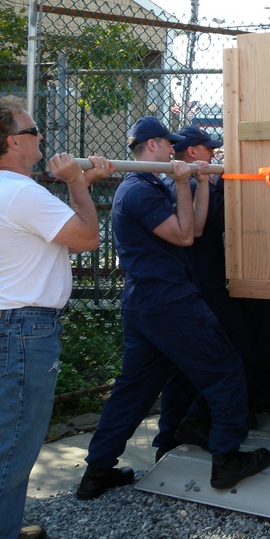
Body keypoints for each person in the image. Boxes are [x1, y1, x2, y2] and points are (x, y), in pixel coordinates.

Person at [77, 117, 270, 501]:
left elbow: (194, 228)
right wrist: (183, 182)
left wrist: (197, 183)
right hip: (168, 301)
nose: (173, 150)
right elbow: (183, 236)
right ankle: (227, 459)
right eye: (168, 144)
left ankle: (98, 471)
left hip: (149, 302)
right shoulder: (138, 190)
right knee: (226, 370)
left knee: (135, 388)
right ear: (152, 146)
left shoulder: (150, 183)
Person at [1, 97, 113, 539]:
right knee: (14, 448)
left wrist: (77, 182)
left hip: (13, 324)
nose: (41, 137)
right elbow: (87, 237)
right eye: (32, 132)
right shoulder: (21, 192)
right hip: (22, 331)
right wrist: (77, 184)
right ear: (12, 141)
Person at [154, 126, 269, 462]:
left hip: (194, 285)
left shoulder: (175, 181)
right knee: (239, 354)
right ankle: (199, 424)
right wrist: (218, 189)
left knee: (184, 367)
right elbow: (219, 221)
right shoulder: (190, 183)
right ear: (193, 153)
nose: (214, 154)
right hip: (204, 286)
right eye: (209, 149)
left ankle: (170, 436)